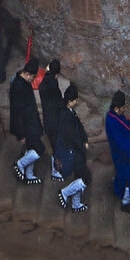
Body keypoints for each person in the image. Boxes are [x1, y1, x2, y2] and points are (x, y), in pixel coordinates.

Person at [106, 90, 130, 214]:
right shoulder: (113, 123)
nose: (125, 109)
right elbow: (124, 144)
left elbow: (125, 123)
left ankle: (118, 188)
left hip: (120, 155)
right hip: (122, 156)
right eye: (123, 107)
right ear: (117, 108)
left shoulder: (113, 116)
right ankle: (126, 202)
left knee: (122, 175)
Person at [55, 83, 91, 211]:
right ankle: (65, 192)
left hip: (76, 150)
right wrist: (82, 143)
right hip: (74, 152)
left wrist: (84, 139)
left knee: (79, 177)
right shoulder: (65, 116)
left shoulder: (70, 112)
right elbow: (72, 135)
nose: (77, 102)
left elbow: (79, 127)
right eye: (76, 100)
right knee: (86, 178)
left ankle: (76, 204)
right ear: (70, 101)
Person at [8, 58, 44, 184]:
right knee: (39, 149)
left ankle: (29, 174)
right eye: (32, 77)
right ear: (27, 74)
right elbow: (17, 112)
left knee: (32, 148)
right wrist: (21, 133)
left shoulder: (23, 82)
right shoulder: (18, 86)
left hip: (31, 120)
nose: (33, 80)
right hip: (27, 124)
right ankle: (20, 164)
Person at [38, 58, 64, 180]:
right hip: (54, 120)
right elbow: (59, 103)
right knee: (56, 146)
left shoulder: (45, 81)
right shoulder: (53, 85)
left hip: (48, 117)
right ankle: (55, 170)